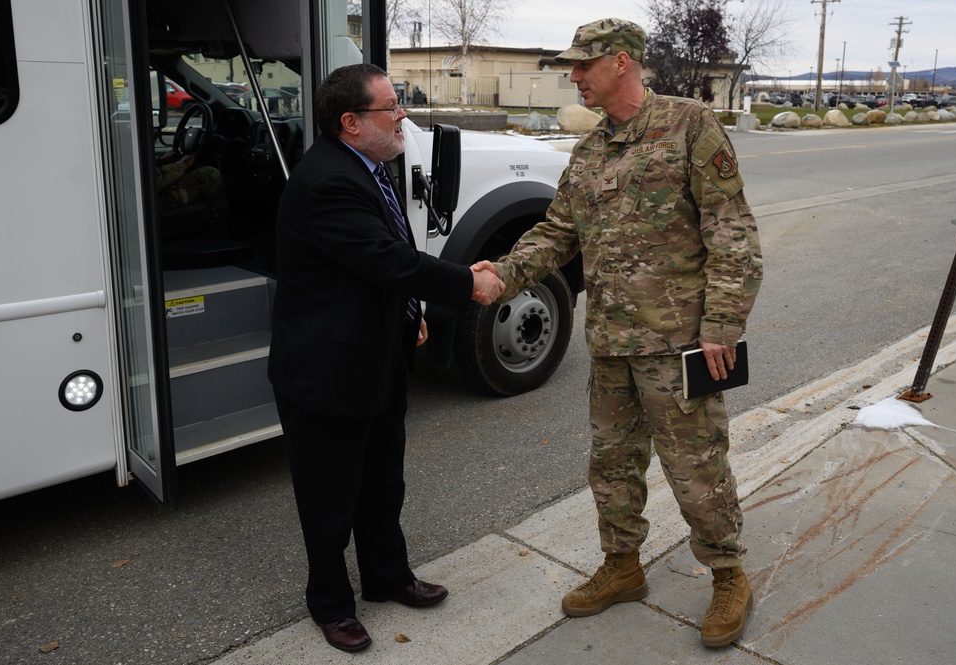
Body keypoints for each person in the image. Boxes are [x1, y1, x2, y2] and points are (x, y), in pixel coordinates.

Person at [473, 18, 762, 648]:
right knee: (612, 465)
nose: (574, 76)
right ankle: (623, 566)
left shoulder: (690, 125)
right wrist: (501, 275)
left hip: (679, 342)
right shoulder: (591, 151)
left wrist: (722, 326)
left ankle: (727, 575)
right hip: (610, 345)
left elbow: (732, 231)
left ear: (622, 63)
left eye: (583, 65)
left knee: (696, 466)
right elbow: (556, 233)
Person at [267, 63, 504, 654]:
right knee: (329, 497)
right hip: (327, 370)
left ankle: (387, 576)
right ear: (350, 122)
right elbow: (384, 260)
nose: (402, 116)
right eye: (390, 107)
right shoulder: (329, 181)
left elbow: (376, 264)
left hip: (376, 354)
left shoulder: (368, 167)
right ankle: (329, 603)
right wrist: (463, 284)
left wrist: (411, 312)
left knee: (380, 482)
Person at [155, 150, 228, 221]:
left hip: (151, 192)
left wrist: (160, 160)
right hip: (153, 201)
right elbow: (153, 178)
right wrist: (181, 165)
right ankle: (220, 226)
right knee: (210, 175)